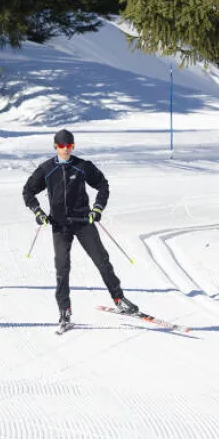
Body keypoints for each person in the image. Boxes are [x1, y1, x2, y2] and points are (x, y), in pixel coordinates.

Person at [21, 129, 139, 329]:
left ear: (73, 147)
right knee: (62, 267)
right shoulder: (47, 169)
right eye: (61, 146)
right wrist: (38, 212)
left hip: (83, 220)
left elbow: (102, 184)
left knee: (102, 260)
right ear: (55, 147)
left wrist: (98, 208)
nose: (65, 150)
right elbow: (28, 190)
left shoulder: (83, 166)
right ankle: (64, 310)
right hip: (60, 225)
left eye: (69, 146)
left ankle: (119, 299)